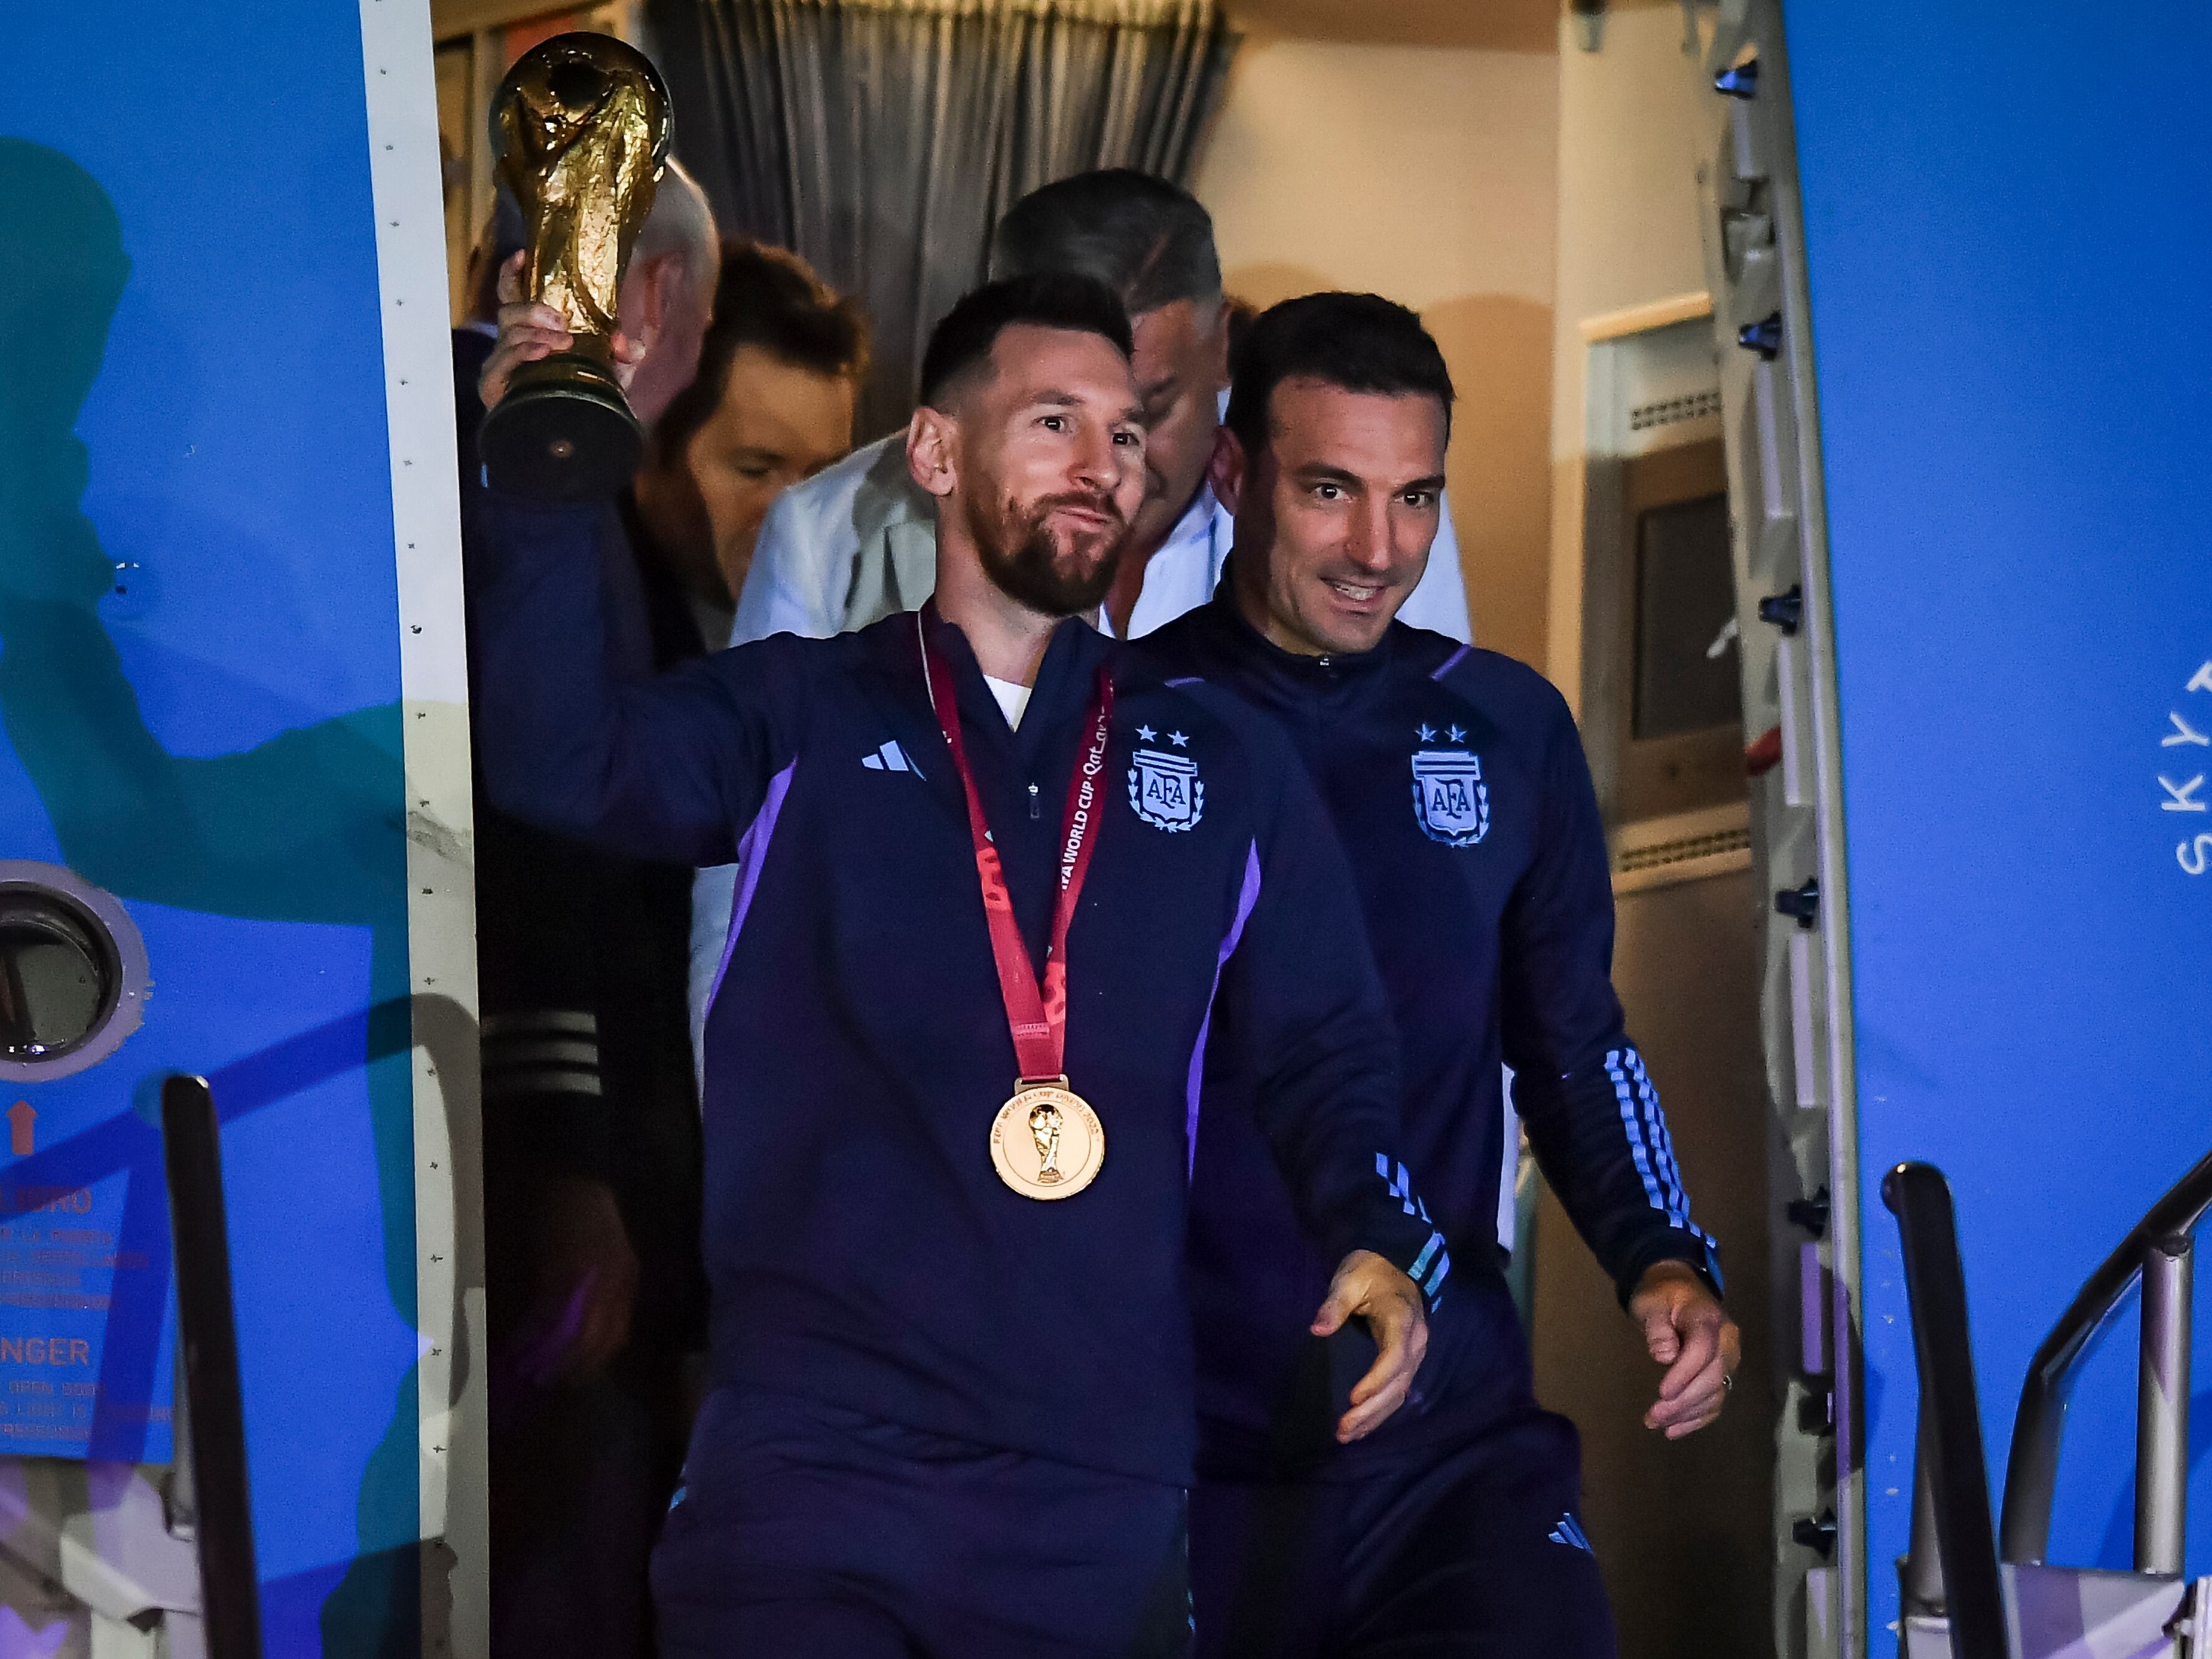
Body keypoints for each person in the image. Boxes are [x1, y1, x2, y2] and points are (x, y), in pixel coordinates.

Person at [471, 268, 1447, 1658]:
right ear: (934, 453)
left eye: (1124, 434)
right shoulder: (798, 709)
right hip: (817, 1473)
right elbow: (559, 758)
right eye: (1053, 422)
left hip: (1095, 1493)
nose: (1100, 467)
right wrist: (550, 473)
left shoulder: (1218, 763)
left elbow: (1325, 1045)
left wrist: (1369, 1226)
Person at [1136, 293, 1741, 1658]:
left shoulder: (1505, 726)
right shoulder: (1115, 724)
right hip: (1190, 1434)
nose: (1376, 550)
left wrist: (1657, 1255)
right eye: (1330, 492)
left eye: (1414, 499)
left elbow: (1574, 1041)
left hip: (1449, 1434)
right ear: (1232, 478)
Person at [690, 169, 1471, 1059]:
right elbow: (742, 895)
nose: (1109, 465)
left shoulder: (1359, 534)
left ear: (1224, 346)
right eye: (1061, 417)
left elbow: (1430, 887)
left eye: (1151, 410)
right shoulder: (832, 534)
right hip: (952, 1118)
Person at [458, 159, 720, 1659]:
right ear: (657, 297)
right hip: (559, 1151)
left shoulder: (560, 474)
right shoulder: (525, 472)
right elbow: (531, 816)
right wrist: (566, 1155)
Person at [632, 239, 871, 645]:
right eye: (756, 471)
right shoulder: (582, 619)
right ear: (651, 453)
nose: (797, 519)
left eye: (824, 476)